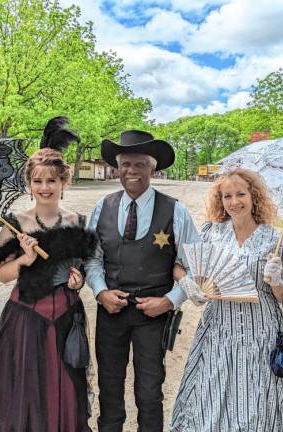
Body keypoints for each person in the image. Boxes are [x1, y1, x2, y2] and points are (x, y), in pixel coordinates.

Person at [0, 118, 97, 432]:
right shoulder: (16, 223)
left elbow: (81, 269)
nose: (45, 188)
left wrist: (77, 281)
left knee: (65, 389)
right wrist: (25, 259)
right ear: (29, 184)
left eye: (52, 181)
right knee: (25, 392)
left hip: (67, 318)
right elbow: (2, 274)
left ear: (64, 182)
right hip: (26, 320)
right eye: (38, 181)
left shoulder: (77, 220)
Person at [169, 168, 283, 431]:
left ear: (253, 196)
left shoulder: (274, 239)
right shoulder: (211, 233)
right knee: (211, 400)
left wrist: (276, 282)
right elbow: (179, 265)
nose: (234, 202)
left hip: (261, 335)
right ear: (220, 200)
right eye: (227, 196)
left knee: (257, 406)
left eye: (240, 194)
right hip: (218, 333)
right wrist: (187, 284)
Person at [85, 130, 199, 432]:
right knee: (109, 389)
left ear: (154, 167)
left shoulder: (176, 211)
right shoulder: (102, 208)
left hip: (154, 315)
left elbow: (194, 267)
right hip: (111, 312)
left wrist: (169, 301)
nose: (131, 171)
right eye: (124, 164)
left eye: (140, 164)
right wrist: (100, 293)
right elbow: (91, 259)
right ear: (116, 167)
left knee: (149, 392)